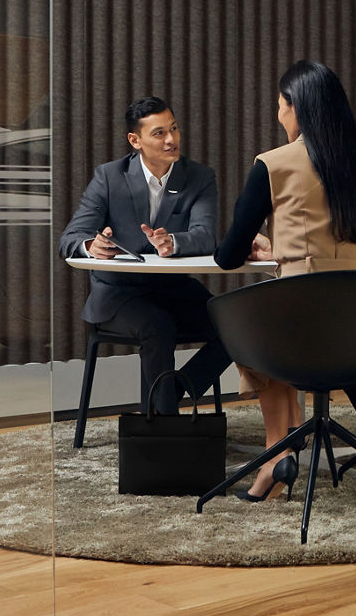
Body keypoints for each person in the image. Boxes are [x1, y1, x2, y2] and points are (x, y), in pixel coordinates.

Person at [214, 60, 356, 501]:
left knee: (254, 327)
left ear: (296, 108)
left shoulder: (273, 164)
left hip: (302, 334)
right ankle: (274, 462)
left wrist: (266, 247)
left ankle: (274, 458)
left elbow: (226, 257)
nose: (279, 116)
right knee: (269, 318)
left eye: (280, 106)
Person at [58, 96, 231, 416]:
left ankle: (171, 393)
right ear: (135, 140)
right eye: (159, 133)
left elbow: (206, 236)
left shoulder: (199, 176)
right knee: (157, 325)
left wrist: (174, 243)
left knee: (236, 324)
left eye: (175, 129)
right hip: (118, 294)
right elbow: (70, 238)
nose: (171, 140)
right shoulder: (109, 177)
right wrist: (91, 246)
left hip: (175, 291)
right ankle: (165, 428)